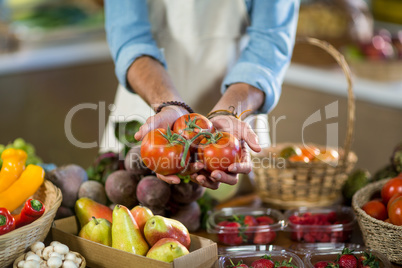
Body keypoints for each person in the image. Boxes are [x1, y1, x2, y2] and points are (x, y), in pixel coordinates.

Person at [102, 0, 299, 189]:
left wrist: (229, 113)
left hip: (237, 112)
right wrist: (168, 104)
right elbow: (129, 40)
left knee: (235, 214)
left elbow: (269, 48)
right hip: (148, 109)